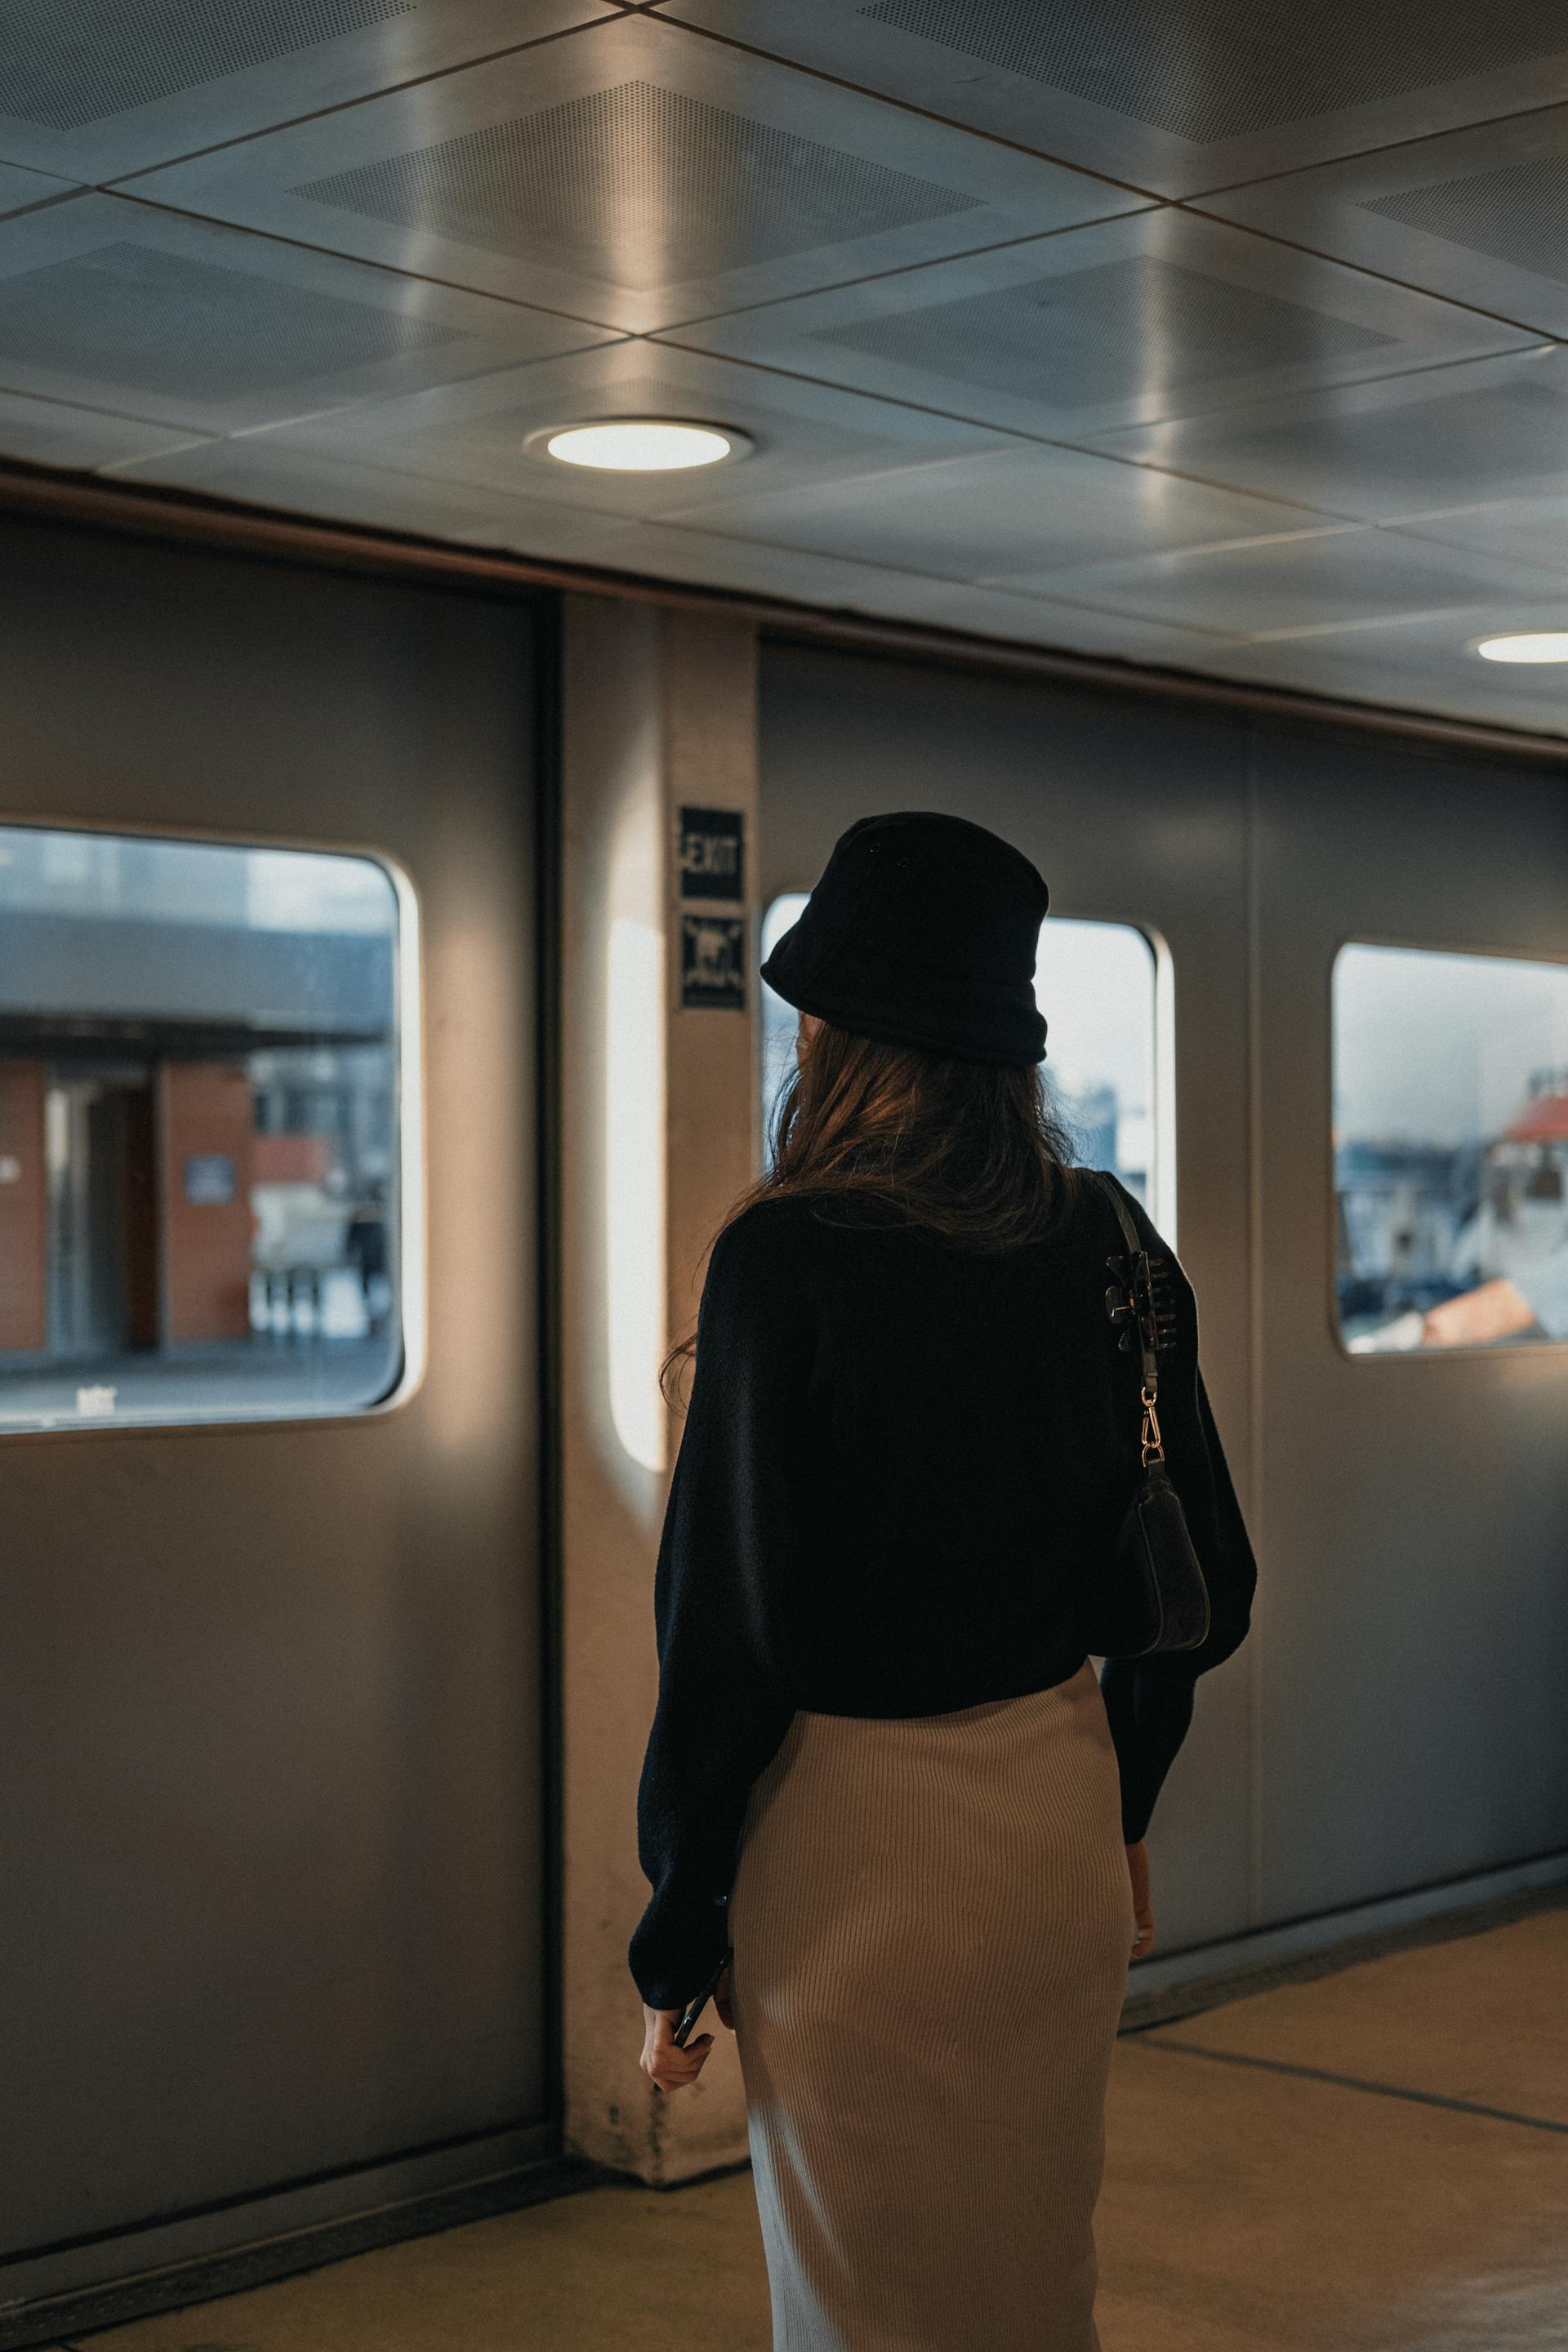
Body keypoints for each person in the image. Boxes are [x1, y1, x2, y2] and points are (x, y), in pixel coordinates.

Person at [629, 812, 1257, 2352]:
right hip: (1052, 1821)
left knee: (866, 2304)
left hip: (852, 1854)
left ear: (838, 1034)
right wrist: (1125, 1805)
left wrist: (680, 1919)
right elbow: (1204, 1579)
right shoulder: (1107, 1239)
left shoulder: (789, 1259)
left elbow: (728, 1634)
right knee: (1034, 2288)